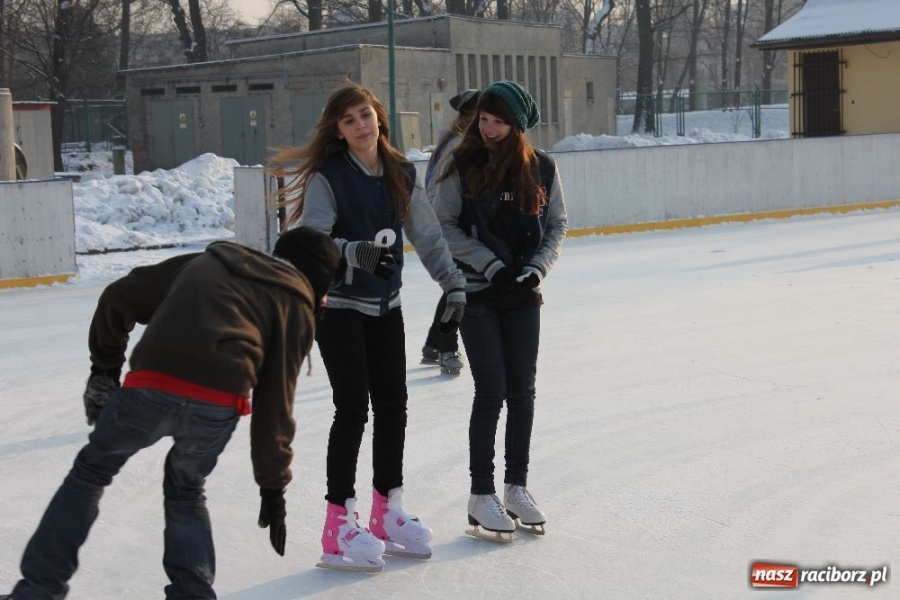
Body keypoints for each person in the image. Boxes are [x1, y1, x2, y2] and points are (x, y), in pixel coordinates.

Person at [3, 227, 344, 600]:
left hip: (151, 383)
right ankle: (192, 594)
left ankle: (39, 590)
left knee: (90, 473)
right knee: (186, 491)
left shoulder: (210, 260)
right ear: (315, 283)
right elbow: (275, 406)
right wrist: (272, 487)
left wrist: (104, 370)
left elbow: (118, 296)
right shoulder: (295, 306)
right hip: (219, 397)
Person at [268, 81, 466, 572]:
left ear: (379, 116)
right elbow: (313, 239)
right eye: (349, 120)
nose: (360, 125)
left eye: (365, 115)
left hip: (385, 306)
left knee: (394, 406)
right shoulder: (329, 177)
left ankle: (387, 511)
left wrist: (453, 285)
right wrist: (353, 251)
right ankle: (338, 523)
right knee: (353, 408)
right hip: (337, 306)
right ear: (339, 129)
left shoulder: (401, 172)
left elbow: (427, 233)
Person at [432, 80, 568, 541]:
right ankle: (480, 493)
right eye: (483, 119)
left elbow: (556, 224)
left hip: (522, 296)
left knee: (523, 394)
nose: (487, 129)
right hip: (479, 295)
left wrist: (536, 268)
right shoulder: (461, 164)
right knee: (491, 391)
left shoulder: (542, 168)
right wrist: (488, 264)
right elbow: (443, 224)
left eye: (498, 121)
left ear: (517, 125)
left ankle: (516, 487)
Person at [420, 88, 481, 376]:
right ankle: (446, 346)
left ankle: (435, 344)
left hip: (442, 222)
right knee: (459, 286)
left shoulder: (451, 140)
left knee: (456, 285)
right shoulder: (461, 145)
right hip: (447, 224)